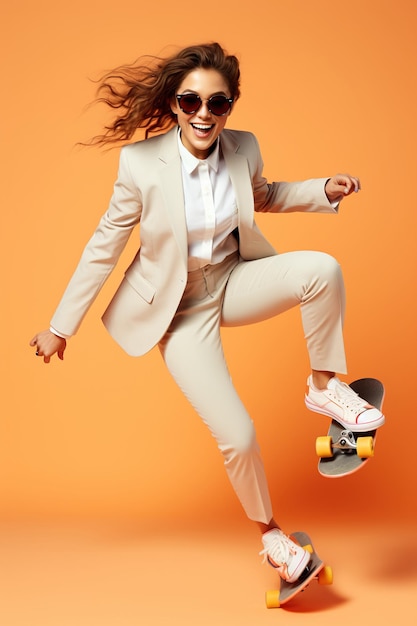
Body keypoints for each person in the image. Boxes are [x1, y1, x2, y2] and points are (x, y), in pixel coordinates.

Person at [30, 42, 384, 584]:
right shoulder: (142, 163)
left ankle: (323, 387)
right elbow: (107, 243)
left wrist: (321, 190)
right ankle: (271, 536)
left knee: (323, 269)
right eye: (190, 101)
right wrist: (61, 326)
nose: (203, 113)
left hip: (233, 279)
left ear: (230, 106)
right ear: (174, 104)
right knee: (238, 435)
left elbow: (262, 195)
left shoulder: (243, 148)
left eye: (216, 103)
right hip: (177, 310)